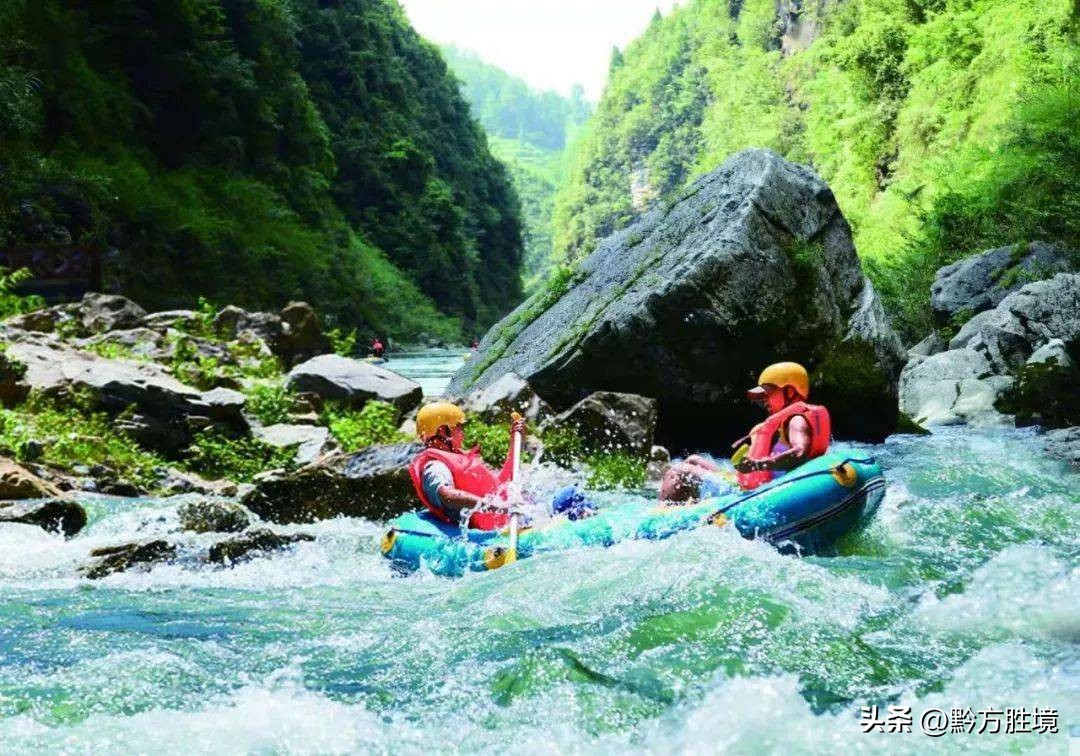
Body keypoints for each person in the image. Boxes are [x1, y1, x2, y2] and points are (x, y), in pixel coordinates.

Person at [659, 362, 831, 503]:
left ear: (790, 392)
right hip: (755, 482)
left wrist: (758, 465)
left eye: (768, 392)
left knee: (680, 471)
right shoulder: (796, 418)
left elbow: (799, 451)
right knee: (693, 460)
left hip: (757, 492)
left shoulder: (796, 420)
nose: (764, 400)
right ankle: (691, 508)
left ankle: (661, 514)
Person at [408, 402, 595, 530]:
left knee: (569, 497)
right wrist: (498, 507)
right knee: (571, 494)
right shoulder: (435, 467)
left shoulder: (455, 458)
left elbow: (503, 484)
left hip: (516, 517)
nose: (463, 433)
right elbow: (448, 496)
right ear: (443, 431)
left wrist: (516, 442)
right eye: (459, 427)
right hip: (501, 529)